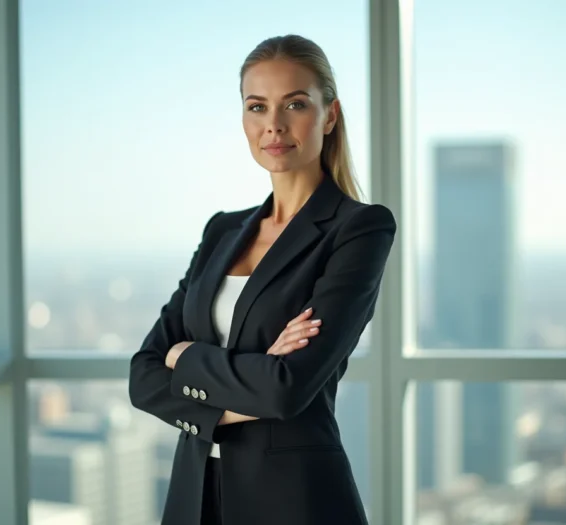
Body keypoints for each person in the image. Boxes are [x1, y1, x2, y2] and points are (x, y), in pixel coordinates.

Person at [128, 34, 396, 525]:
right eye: (257, 106)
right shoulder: (222, 231)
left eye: (295, 104)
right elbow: (143, 375)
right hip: (194, 496)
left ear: (330, 116)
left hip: (293, 499)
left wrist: (185, 357)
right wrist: (251, 377)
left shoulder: (358, 228)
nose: (273, 124)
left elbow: (285, 390)